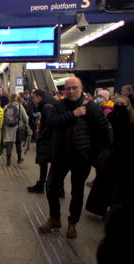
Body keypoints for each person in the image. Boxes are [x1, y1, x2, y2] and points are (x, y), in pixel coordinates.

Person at [38, 77, 111, 239]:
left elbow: (104, 132)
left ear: (81, 88)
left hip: (81, 158)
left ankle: (73, 223)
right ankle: (54, 218)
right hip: (60, 156)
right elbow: (51, 123)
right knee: (50, 187)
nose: (71, 91)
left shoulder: (92, 108)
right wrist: (73, 114)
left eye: (75, 88)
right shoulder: (59, 105)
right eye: (68, 88)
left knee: (77, 192)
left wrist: (93, 155)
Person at [97, 95, 134, 263]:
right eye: (117, 104)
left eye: (123, 105)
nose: (119, 107)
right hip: (119, 173)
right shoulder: (115, 119)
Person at [27, 89, 64, 196]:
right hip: (53, 138)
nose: (33, 100)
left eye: (34, 97)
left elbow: (49, 123)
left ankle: (42, 186)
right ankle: (58, 189)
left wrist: (42, 135)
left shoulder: (46, 106)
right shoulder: (49, 102)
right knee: (53, 164)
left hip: (49, 139)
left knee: (44, 162)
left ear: (39, 97)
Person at [2, 94, 30, 166]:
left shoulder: (6, 106)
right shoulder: (20, 107)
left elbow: (2, 116)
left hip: (8, 128)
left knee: (9, 143)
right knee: (18, 143)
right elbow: (26, 118)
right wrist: (26, 124)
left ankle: (8, 161)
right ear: (17, 99)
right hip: (18, 127)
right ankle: (19, 158)